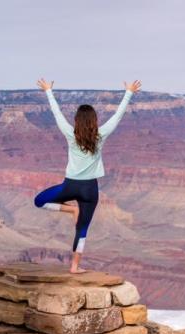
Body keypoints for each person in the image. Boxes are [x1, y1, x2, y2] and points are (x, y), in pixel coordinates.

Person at [33, 77, 141, 273]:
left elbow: (57, 114)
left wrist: (48, 91)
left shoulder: (70, 134)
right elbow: (117, 116)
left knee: (39, 201)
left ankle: (71, 210)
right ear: (94, 121)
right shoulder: (100, 135)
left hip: (70, 186)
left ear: (76, 121)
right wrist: (129, 93)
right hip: (90, 189)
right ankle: (74, 267)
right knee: (82, 230)